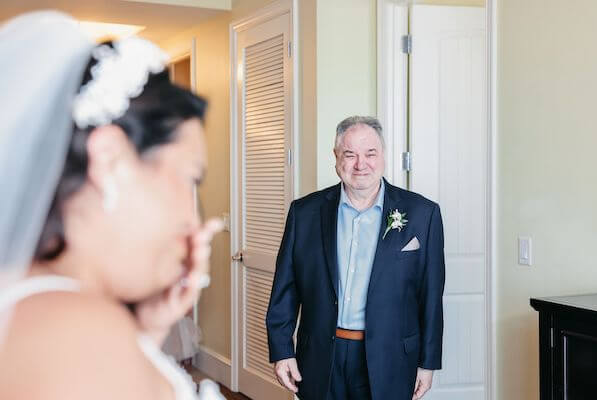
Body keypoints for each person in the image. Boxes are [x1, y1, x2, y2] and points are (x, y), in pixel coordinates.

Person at [0, 11, 224, 400]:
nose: (192, 221)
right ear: (108, 160)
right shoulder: (80, 332)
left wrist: (145, 336)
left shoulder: (38, 312)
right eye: (189, 181)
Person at [266, 116, 445, 400]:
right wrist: (282, 350)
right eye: (350, 154)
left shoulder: (423, 215)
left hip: (391, 358)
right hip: (321, 356)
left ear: (383, 156)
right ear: (336, 158)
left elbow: (431, 296)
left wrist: (428, 362)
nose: (361, 164)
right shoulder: (304, 213)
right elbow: (286, 290)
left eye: (370, 153)